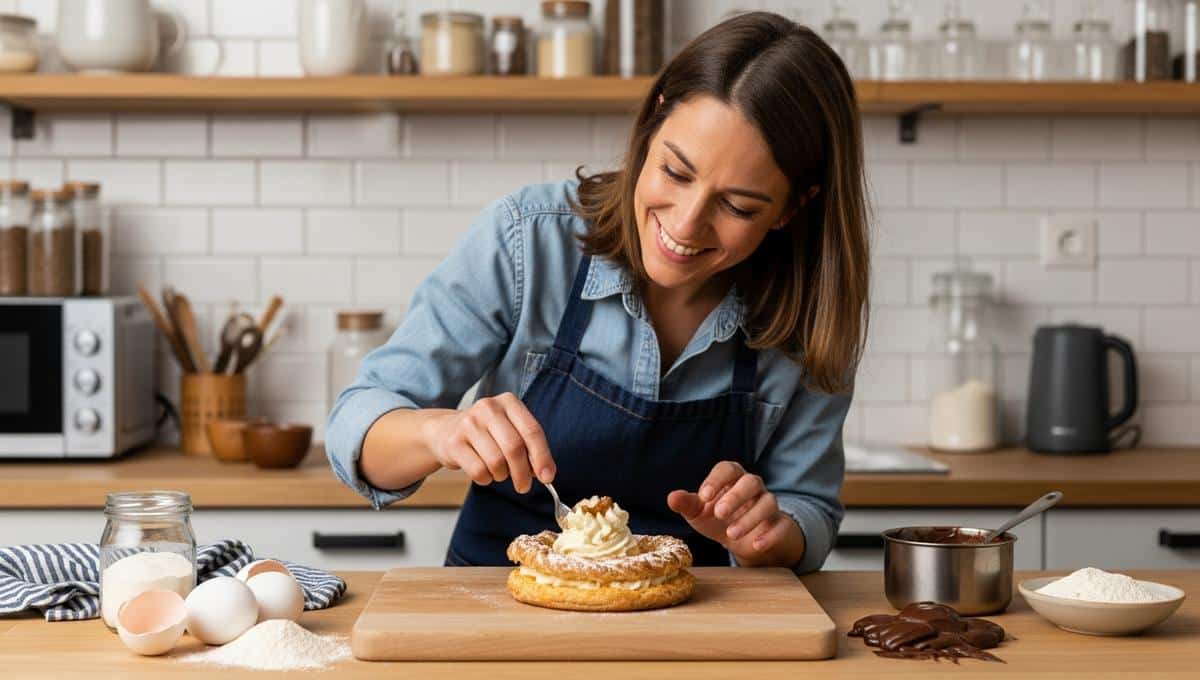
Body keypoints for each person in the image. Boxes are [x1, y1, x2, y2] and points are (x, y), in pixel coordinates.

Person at [326, 11, 869, 573]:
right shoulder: (529, 239)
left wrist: (768, 535)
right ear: (654, 119)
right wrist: (439, 432)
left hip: (694, 616)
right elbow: (354, 426)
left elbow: (809, 510)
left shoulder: (811, 313)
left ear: (792, 207)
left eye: (737, 206)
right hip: (495, 605)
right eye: (675, 172)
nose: (685, 224)